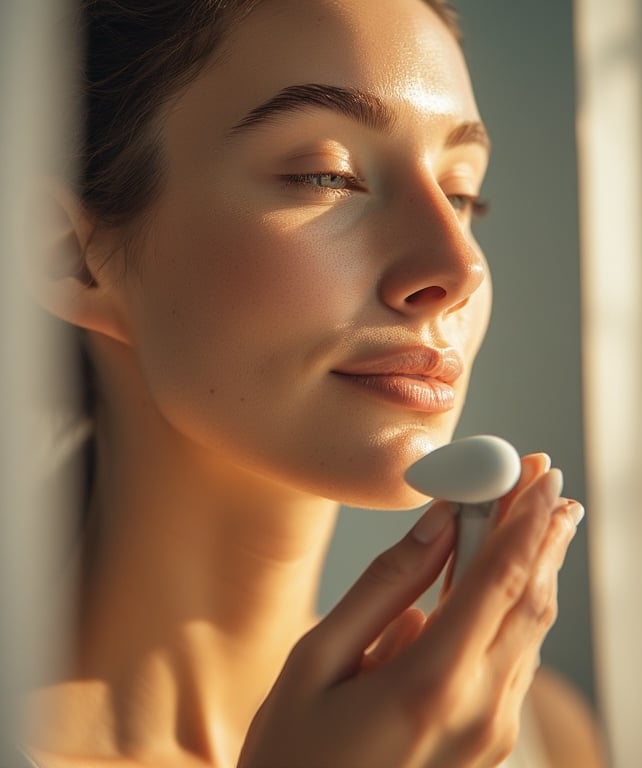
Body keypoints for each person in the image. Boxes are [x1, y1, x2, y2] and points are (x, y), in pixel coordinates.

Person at [25, 0, 605, 765]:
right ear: (69, 255)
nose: (458, 268)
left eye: (461, 192)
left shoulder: (534, 737)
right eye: (325, 174)